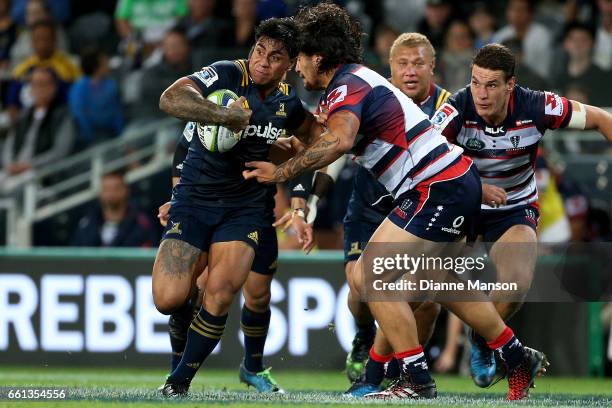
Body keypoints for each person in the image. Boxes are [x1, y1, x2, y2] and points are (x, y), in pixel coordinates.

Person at [244, 3, 547, 400]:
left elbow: (341, 140)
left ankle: (416, 380)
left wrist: (282, 175)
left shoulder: (347, 85)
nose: (296, 68)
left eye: (299, 58)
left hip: (437, 187)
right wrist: (273, 145)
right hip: (448, 183)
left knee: (372, 278)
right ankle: (513, 354)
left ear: (317, 57)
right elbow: (322, 140)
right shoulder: (352, 81)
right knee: (434, 280)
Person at [153, 17, 320, 397]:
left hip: (244, 208)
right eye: (259, 50)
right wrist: (225, 116)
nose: (263, 61)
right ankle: (180, 355)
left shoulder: (287, 101)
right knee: (169, 299)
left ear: (290, 64)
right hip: (194, 199)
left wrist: (291, 179)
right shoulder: (226, 74)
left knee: (223, 291)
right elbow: (171, 98)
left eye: (275, 56)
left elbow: (315, 141)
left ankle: (178, 382)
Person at [429, 43, 612, 388]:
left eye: (492, 85)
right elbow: (423, 158)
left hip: (512, 208)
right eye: (476, 82)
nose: (481, 94)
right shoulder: (455, 108)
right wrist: (476, 187)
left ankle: (481, 338)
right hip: (460, 205)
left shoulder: (538, 106)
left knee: (514, 286)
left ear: (511, 84)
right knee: (422, 282)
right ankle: (392, 370)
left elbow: (603, 119)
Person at [332, 32, 452, 396]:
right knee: (360, 287)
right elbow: (335, 143)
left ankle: (399, 369)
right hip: (369, 210)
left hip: (419, 209)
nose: (411, 71)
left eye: (419, 63)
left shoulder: (450, 107)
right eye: (403, 64)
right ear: (390, 68)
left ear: (432, 66)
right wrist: (309, 196)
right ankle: (366, 337)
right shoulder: (369, 94)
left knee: (426, 300)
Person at [1, 67, 74, 183]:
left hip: (40, 173)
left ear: (53, 87)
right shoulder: (23, 115)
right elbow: (9, 144)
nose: (40, 89)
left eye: (44, 84)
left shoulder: (62, 115)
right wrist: (9, 164)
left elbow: (60, 152)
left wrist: (29, 165)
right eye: (36, 84)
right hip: (15, 169)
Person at [71, 170, 156, 247]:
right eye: (107, 189)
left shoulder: (142, 224)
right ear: (100, 192)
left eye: (116, 188)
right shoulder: (86, 224)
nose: (111, 193)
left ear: (126, 190)